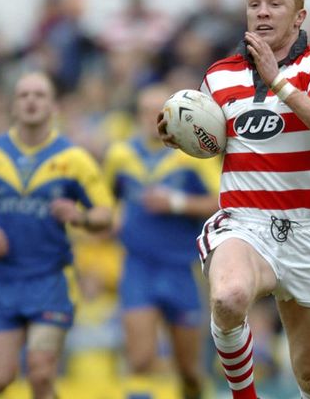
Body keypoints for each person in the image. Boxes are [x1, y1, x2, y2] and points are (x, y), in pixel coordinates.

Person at [158, 0, 310, 399]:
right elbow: (217, 141)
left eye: (275, 3)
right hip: (245, 223)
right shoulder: (219, 76)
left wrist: (279, 81)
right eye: (254, 4)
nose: (262, 11)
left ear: (299, 16)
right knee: (228, 298)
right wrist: (182, 136)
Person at [0, 72, 113, 399]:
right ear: (13, 105)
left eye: (39, 95)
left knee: (40, 373)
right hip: (1, 280)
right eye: (24, 95)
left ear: (54, 106)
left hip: (50, 279)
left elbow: (105, 213)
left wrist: (80, 217)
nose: (31, 101)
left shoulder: (74, 159)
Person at [104, 84, 220, 398]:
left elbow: (223, 201)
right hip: (138, 266)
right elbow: (106, 197)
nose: (151, 119)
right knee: (139, 359)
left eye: (159, 112)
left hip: (181, 267)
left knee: (189, 370)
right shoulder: (121, 154)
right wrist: (110, 218)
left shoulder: (193, 154)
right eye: (144, 111)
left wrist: (177, 203)